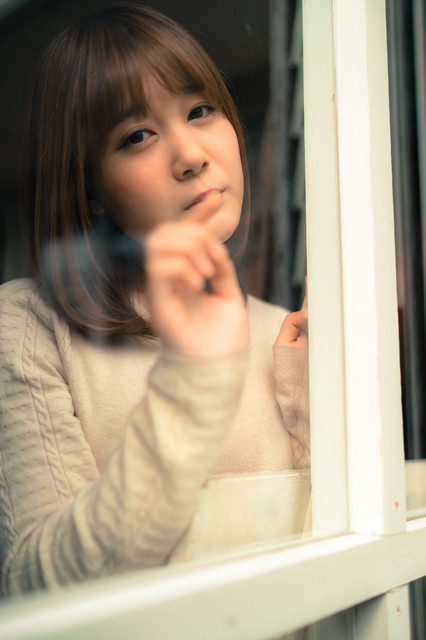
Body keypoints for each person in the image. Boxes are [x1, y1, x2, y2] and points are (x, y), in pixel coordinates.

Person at [0, 2, 309, 596]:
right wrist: (194, 382)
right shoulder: (30, 324)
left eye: (200, 111)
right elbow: (36, 585)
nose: (191, 155)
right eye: (137, 136)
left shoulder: (283, 332)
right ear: (90, 187)